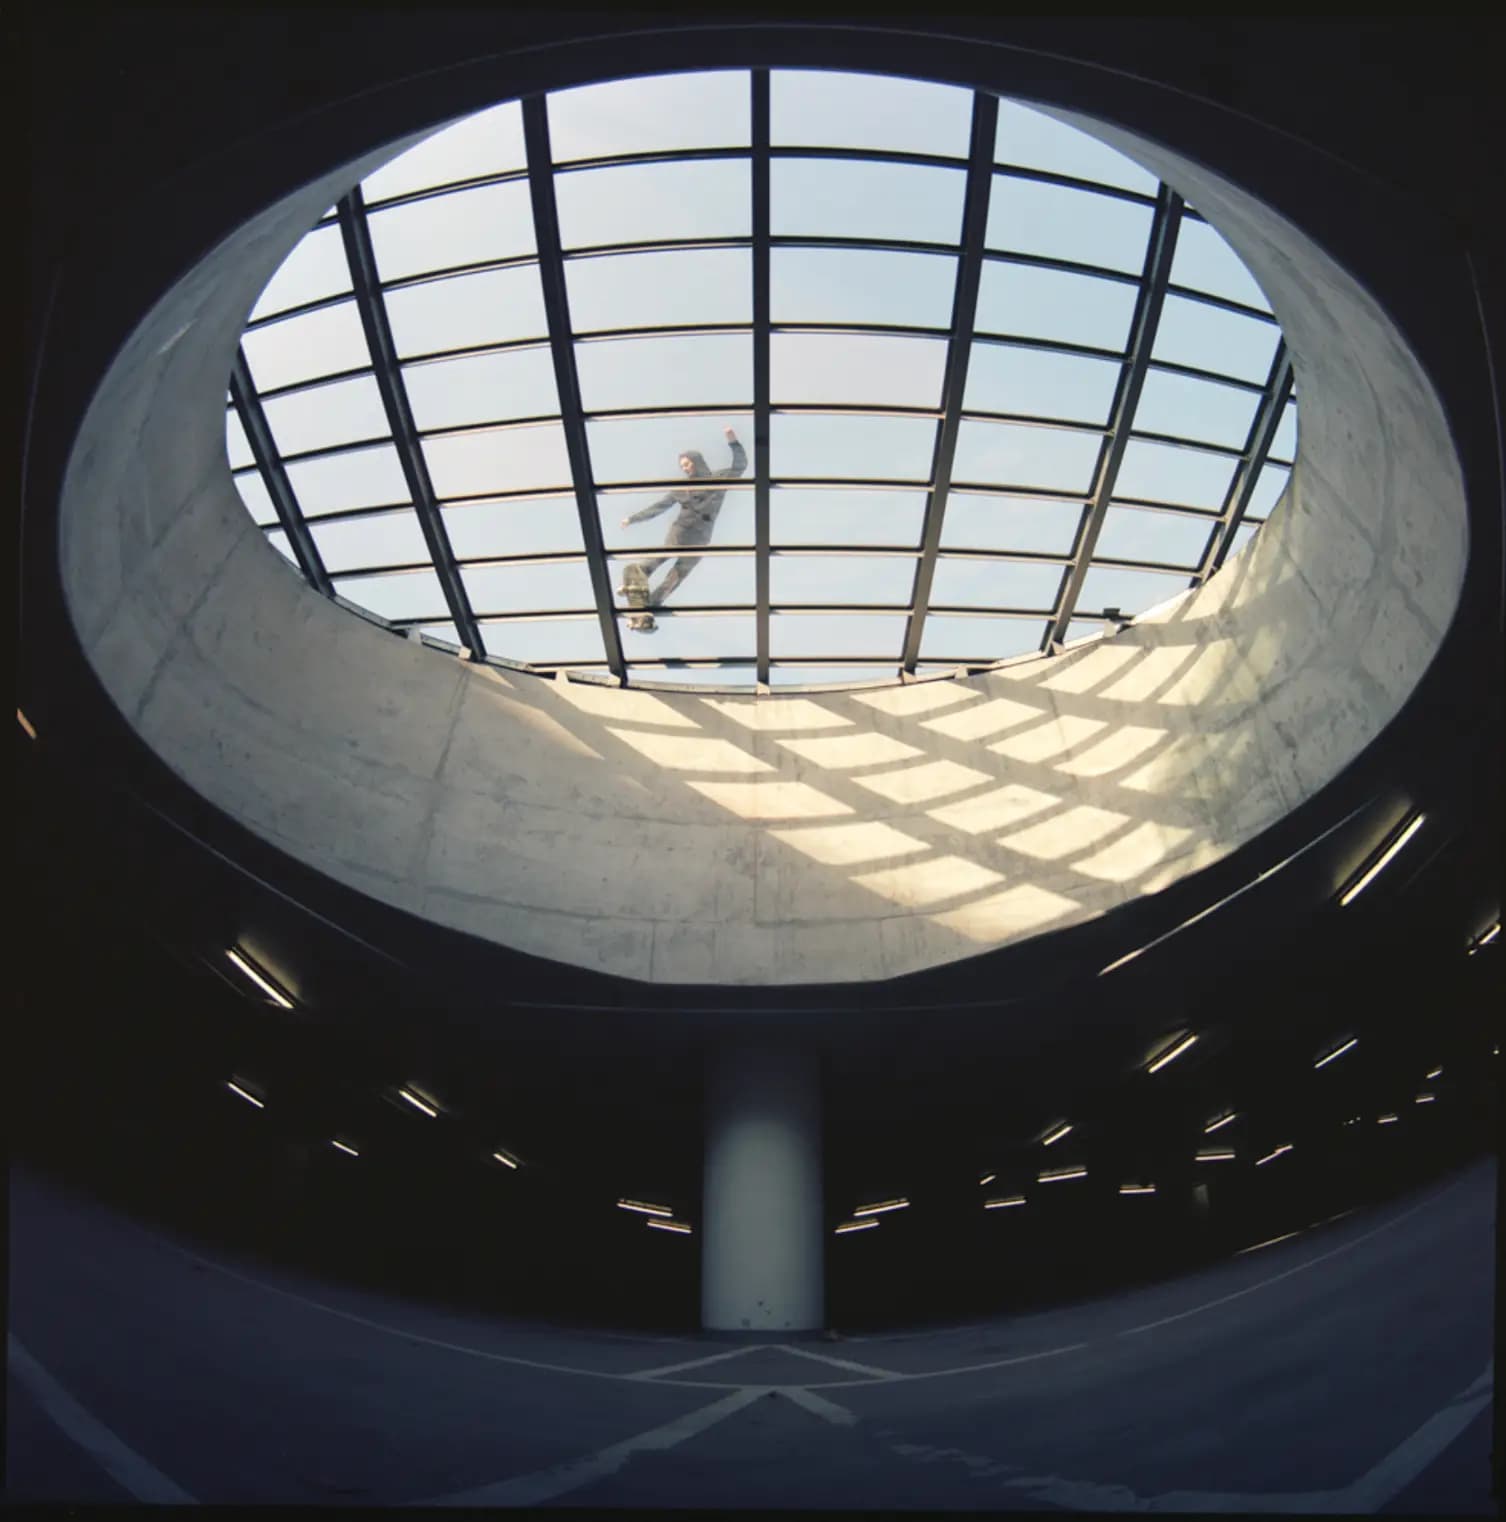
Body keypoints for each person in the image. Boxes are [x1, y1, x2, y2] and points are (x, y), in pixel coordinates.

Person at [616, 426, 746, 632]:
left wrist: (733, 442)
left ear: (697, 461)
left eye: (687, 464)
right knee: (666, 554)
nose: (685, 469)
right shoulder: (681, 489)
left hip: (701, 538)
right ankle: (641, 571)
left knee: (678, 575)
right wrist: (633, 519)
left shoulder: (719, 479)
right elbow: (658, 507)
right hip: (681, 531)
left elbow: (740, 466)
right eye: (683, 466)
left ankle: (651, 606)